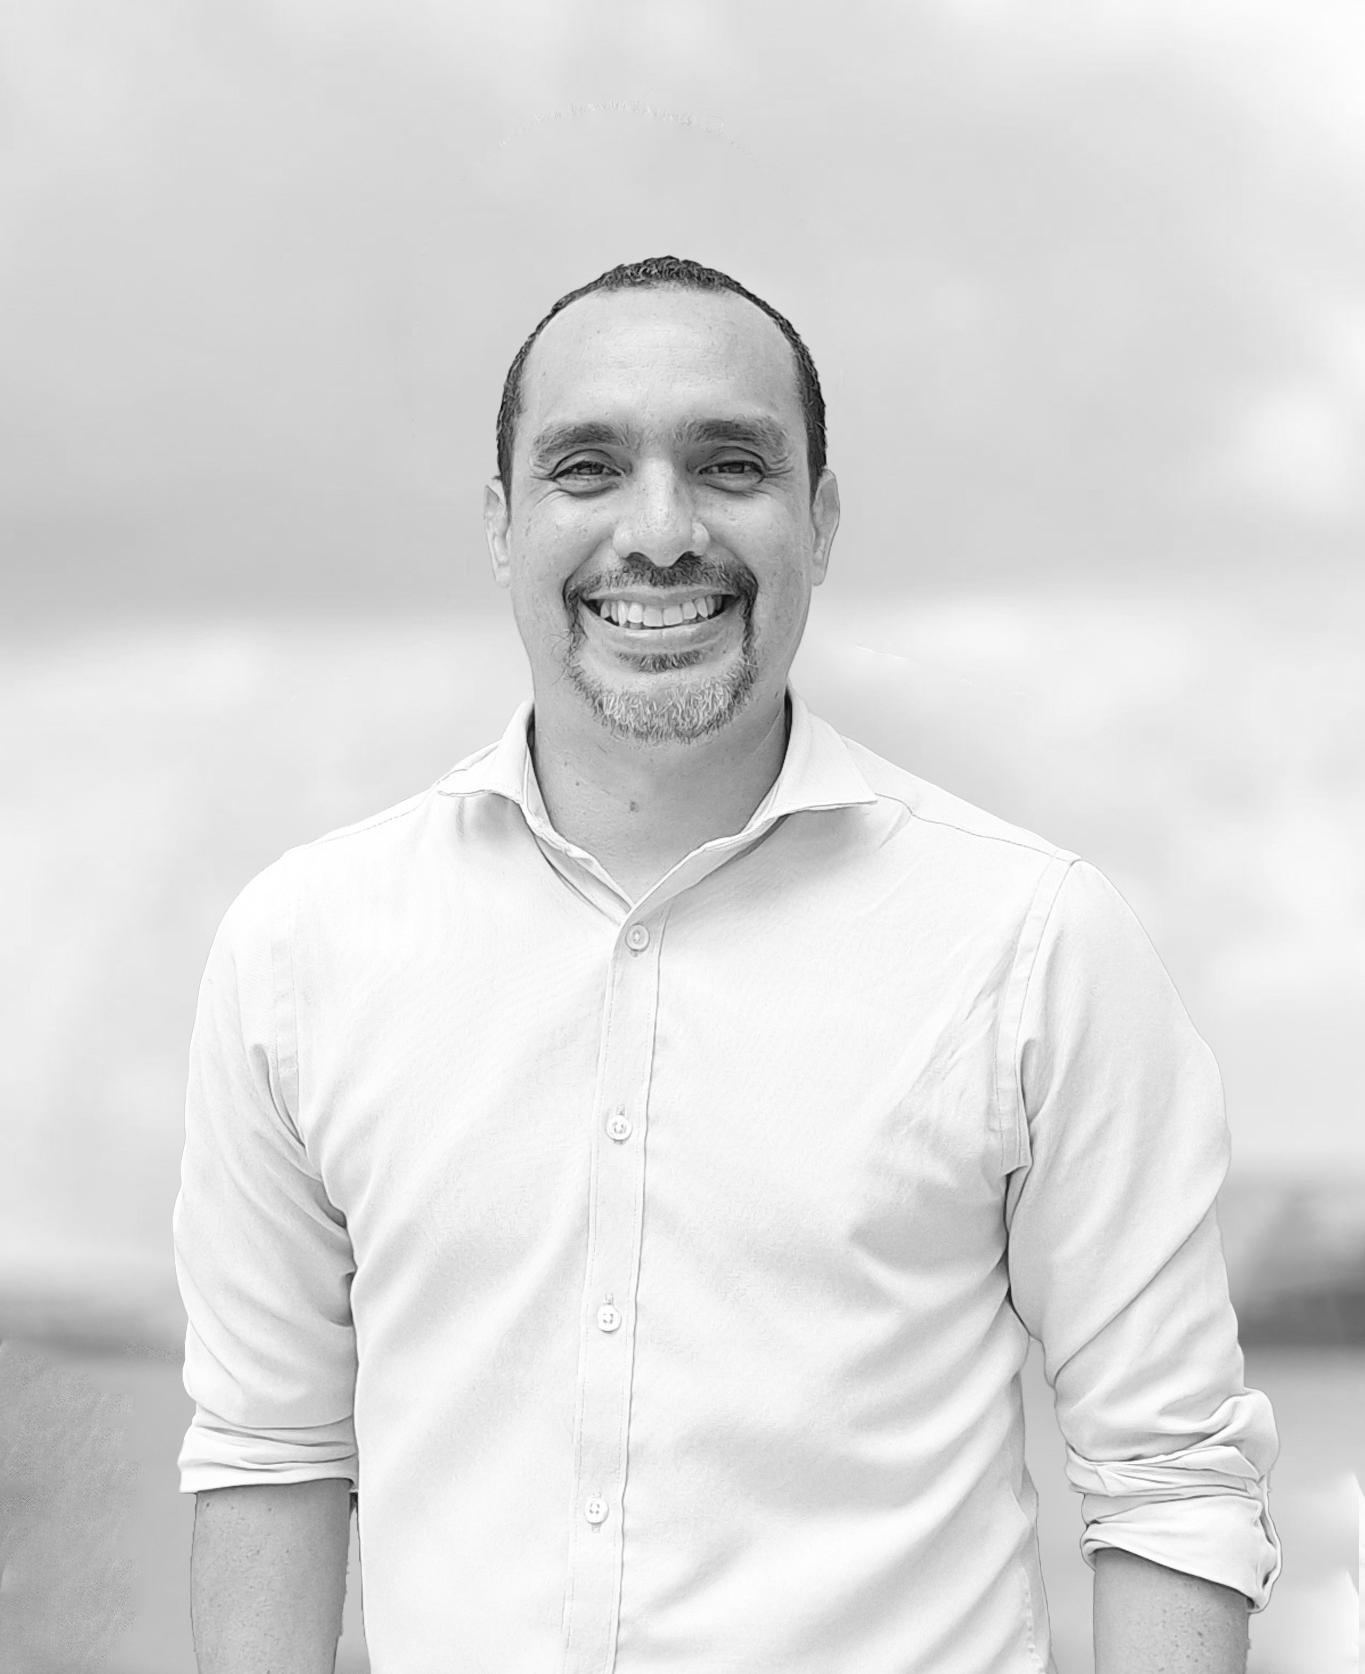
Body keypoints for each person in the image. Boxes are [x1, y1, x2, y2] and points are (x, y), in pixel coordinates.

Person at [175, 254, 1279, 1674]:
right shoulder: (302, 949)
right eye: (586, 467)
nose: (658, 531)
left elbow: (1171, 1474)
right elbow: (270, 1447)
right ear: (502, 520)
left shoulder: (1033, 943)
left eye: (730, 464)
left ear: (817, 521)